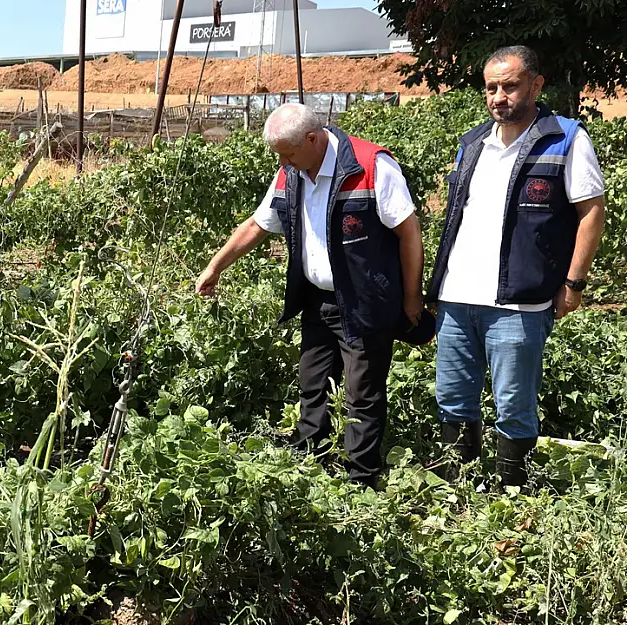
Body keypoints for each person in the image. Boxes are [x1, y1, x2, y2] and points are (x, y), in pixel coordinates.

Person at [196, 103, 425, 489]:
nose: (283, 161)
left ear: (313, 139)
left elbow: (409, 232)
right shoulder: (292, 172)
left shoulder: (372, 166)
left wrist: (411, 296)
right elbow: (258, 223)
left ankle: (361, 482)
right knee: (313, 385)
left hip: (365, 300)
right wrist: (215, 266)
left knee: (361, 394)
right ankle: (309, 469)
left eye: (287, 152)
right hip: (319, 300)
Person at [425, 45, 606, 488]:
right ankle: (457, 490)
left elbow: (592, 210)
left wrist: (574, 282)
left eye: (509, 86)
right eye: (491, 88)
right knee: (452, 398)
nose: (499, 97)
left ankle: (511, 492)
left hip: (519, 301)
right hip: (456, 297)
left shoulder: (564, 137)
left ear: (536, 85)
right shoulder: (472, 143)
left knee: (513, 403)